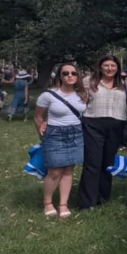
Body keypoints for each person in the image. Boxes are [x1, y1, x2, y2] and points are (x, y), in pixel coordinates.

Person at [77, 55, 127, 211]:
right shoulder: (89, 82)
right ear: (100, 67)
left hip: (116, 124)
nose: (109, 68)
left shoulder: (124, 84)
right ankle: (87, 201)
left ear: (117, 68)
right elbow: (80, 102)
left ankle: (102, 196)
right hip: (93, 123)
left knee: (108, 162)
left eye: (113, 66)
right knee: (93, 162)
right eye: (106, 65)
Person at [34, 63, 87, 218]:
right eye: (65, 73)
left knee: (69, 170)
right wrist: (41, 130)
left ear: (78, 76)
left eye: (73, 73)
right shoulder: (48, 95)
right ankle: (47, 202)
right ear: (59, 77)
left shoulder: (83, 95)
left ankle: (63, 204)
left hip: (76, 133)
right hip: (55, 134)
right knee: (55, 171)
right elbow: (38, 116)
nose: (70, 76)